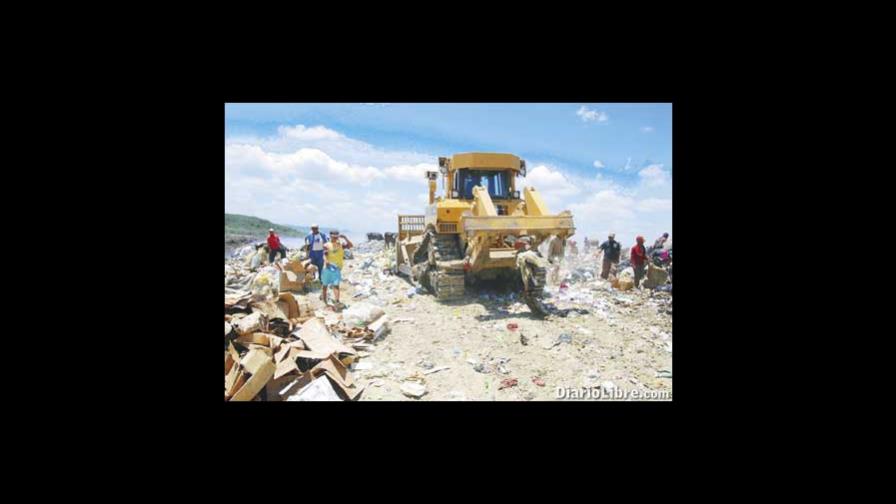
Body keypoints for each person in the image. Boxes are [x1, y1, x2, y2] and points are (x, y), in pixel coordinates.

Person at [321, 230, 353, 306]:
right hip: (327, 268)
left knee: (336, 285)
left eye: (336, 236)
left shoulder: (341, 244)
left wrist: (345, 238)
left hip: (337, 268)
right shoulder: (326, 245)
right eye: (333, 236)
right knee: (325, 285)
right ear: (330, 236)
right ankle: (324, 301)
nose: (335, 238)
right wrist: (326, 260)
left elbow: (350, 245)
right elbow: (324, 254)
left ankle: (337, 301)